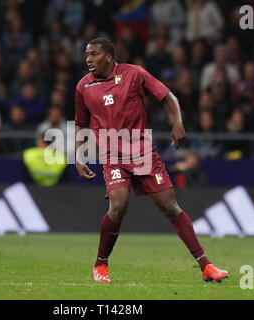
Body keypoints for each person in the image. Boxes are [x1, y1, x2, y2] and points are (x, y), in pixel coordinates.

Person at [74, 38, 228, 283]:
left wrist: (176, 122)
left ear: (109, 57)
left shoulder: (134, 74)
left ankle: (206, 266)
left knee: (169, 207)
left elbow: (169, 97)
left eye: (94, 54)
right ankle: (100, 266)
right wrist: (79, 155)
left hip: (142, 152)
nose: (88, 59)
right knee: (118, 205)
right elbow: (81, 123)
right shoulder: (83, 86)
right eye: (87, 55)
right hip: (112, 155)